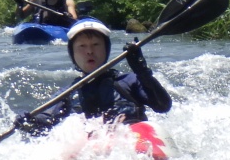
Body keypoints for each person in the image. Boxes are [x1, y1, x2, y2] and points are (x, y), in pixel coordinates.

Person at [14, 20, 171, 135]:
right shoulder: (67, 94)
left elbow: (163, 105)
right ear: (73, 54)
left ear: (106, 49)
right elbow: (44, 124)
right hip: (92, 155)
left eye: (96, 45)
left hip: (130, 147)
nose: (89, 51)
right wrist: (28, 121)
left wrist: (142, 72)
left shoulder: (127, 81)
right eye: (82, 46)